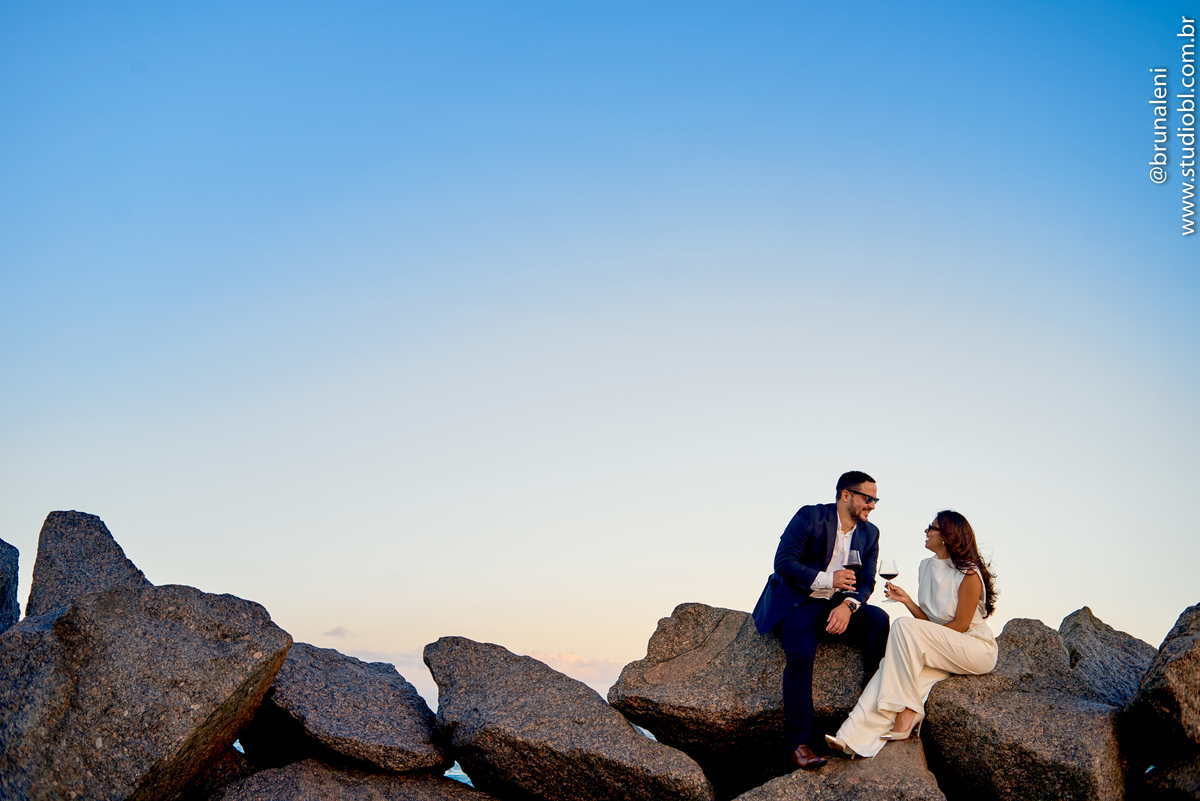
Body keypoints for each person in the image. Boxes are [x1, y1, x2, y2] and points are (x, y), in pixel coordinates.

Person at [825, 509, 999, 759]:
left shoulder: (969, 574)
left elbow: (960, 626)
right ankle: (850, 738)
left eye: (932, 527)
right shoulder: (925, 567)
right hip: (943, 645)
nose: (926, 531)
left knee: (902, 630)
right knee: (889, 667)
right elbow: (928, 625)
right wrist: (906, 600)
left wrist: (920, 640)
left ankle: (907, 710)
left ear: (948, 535)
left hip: (974, 648)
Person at [752, 471, 891, 771]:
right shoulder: (810, 516)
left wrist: (848, 607)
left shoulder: (871, 533)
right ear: (846, 495)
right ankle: (799, 745)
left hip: (836, 605)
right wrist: (829, 579)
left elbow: (866, 581)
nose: (873, 505)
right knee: (801, 655)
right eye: (868, 498)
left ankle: (872, 717)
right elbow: (784, 562)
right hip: (799, 600)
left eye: (875, 499)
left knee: (878, 620)